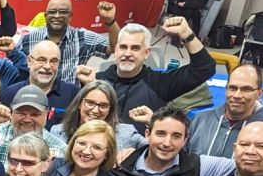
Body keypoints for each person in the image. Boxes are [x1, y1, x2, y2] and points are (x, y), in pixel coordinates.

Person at [76, 18, 215, 131]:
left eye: (135, 48)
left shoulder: (159, 83)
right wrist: (86, 85)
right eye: (123, 47)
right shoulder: (98, 81)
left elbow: (204, 68)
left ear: (147, 53)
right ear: (116, 50)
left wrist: (187, 34)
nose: (128, 53)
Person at [17, 0, 118, 82]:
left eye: (63, 12)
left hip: (70, 100)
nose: (57, 16)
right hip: (36, 98)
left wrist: (110, 21)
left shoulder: (83, 38)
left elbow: (115, 48)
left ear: (70, 16)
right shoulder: (28, 39)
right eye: (52, 12)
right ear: (45, 16)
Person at [0, 41, 80, 128]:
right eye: (41, 60)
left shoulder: (73, 94)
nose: (47, 66)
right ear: (29, 61)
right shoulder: (9, 94)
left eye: (54, 61)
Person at [188, 64, 263, 158]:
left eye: (246, 89)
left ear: (259, 93)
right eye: (233, 88)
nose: (237, 95)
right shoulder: (201, 120)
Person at [51, 80, 149, 151]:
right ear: (79, 104)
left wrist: (151, 121)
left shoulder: (126, 134)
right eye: (90, 103)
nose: (95, 110)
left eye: (103, 105)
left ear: (110, 109)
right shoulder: (58, 132)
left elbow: (154, 152)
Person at [0, 85, 68, 163]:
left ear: (46, 114)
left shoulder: (60, 150)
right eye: (21, 113)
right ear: (12, 112)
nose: (27, 120)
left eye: (35, 114)